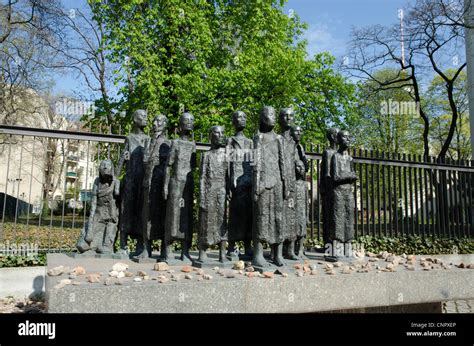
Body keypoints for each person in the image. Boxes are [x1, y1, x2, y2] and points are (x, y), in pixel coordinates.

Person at [252, 106, 286, 267]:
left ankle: (277, 254)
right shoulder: (258, 137)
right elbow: (256, 163)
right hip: (263, 183)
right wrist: (256, 184)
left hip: (277, 182)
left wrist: (285, 184)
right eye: (269, 114)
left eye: (274, 114)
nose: (272, 117)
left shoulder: (279, 139)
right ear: (262, 118)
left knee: (278, 218)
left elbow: (283, 162)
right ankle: (258, 255)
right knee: (261, 217)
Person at [162, 112, 196, 262]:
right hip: (175, 183)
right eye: (186, 120)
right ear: (180, 125)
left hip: (188, 185)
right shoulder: (175, 143)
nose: (189, 123)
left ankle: (185, 250)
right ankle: (168, 249)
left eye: (191, 120)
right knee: (173, 216)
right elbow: (168, 166)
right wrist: (165, 186)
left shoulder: (193, 145)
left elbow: (193, 167)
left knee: (186, 216)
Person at [135, 114, 170, 259]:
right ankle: (146, 247)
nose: (155, 123)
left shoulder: (168, 142)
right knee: (146, 214)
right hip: (149, 181)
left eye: (159, 121)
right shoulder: (149, 141)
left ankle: (164, 249)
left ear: (164, 124)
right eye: (154, 120)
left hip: (161, 181)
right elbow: (144, 160)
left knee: (162, 215)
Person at [116, 109, 149, 256]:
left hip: (143, 181)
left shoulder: (148, 139)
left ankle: (140, 245)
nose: (146, 118)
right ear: (135, 119)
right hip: (130, 180)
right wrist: (116, 178)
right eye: (142, 116)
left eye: (146, 116)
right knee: (126, 210)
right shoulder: (129, 138)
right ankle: (122, 245)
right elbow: (123, 159)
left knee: (142, 212)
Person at [197, 125, 229, 263]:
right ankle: (202, 252)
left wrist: (228, 191)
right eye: (217, 132)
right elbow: (202, 177)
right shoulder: (206, 155)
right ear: (211, 136)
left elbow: (228, 175)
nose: (221, 135)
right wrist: (202, 197)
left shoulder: (226, 155)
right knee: (206, 222)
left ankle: (222, 253)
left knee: (222, 221)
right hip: (209, 191)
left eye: (223, 132)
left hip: (221, 191)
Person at [76, 159, 120, 254]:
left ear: (111, 168)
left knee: (105, 249)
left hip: (111, 217)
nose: (105, 167)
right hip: (98, 215)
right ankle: (94, 245)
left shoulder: (116, 182)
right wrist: (89, 230)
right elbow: (93, 205)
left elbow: (119, 198)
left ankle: (105, 245)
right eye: (103, 165)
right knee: (82, 245)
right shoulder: (97, 182)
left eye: (108, 165)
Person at [327, 130, 357, 259]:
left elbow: (354, 175)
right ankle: (336, 248)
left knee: (349, 217)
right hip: (338, 192)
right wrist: (350, 176)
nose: (348, 139)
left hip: (348, 191)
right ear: (339, 140)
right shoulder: (335, 157)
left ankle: (348, 245)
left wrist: (351, 176)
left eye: (349, 137)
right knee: (338, 219)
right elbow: (336, 176)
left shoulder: (350, 158)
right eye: (345, 137)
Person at [227, 111, 253, 259]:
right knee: (236, 216)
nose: (241, 120)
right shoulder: (230, 141)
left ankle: (248, 245)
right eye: (238, 117)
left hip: (248, 182)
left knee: (249, 216)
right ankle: (232, 246)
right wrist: (230, 181)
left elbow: (253, 162)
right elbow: (227, 163)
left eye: (244, 117)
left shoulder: (250, 142)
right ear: (233, 121)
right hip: (236, 183)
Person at [279, 107, 298, 260]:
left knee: (291, 214)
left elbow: (296, 160)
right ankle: (278, 250)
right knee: (279, 215)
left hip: (292, 183)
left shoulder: (294, 141)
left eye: (291, 116)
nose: (288, 118)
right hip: (279, 183)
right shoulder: (277, 139)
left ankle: (290, 249)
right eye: (285, 116)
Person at [291, 125, 309, 259]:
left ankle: (300, 249)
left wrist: (302, 155)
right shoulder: (286, 145)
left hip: (300, 195)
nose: (299, 133)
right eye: (296, 131)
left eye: (300, 131)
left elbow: (305, 167)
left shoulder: (300, 147)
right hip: (291, 187)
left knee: (301, 224)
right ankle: (289, 250)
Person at [320, 127, 339, 249]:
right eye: (338, 134)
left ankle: (336, 243)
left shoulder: (341, 154)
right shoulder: (328, 152)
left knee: (336, 216)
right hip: (329, 190)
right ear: (332, 137)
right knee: (328, 217)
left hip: (337, 190)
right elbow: (326, 174)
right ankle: (328, 243)